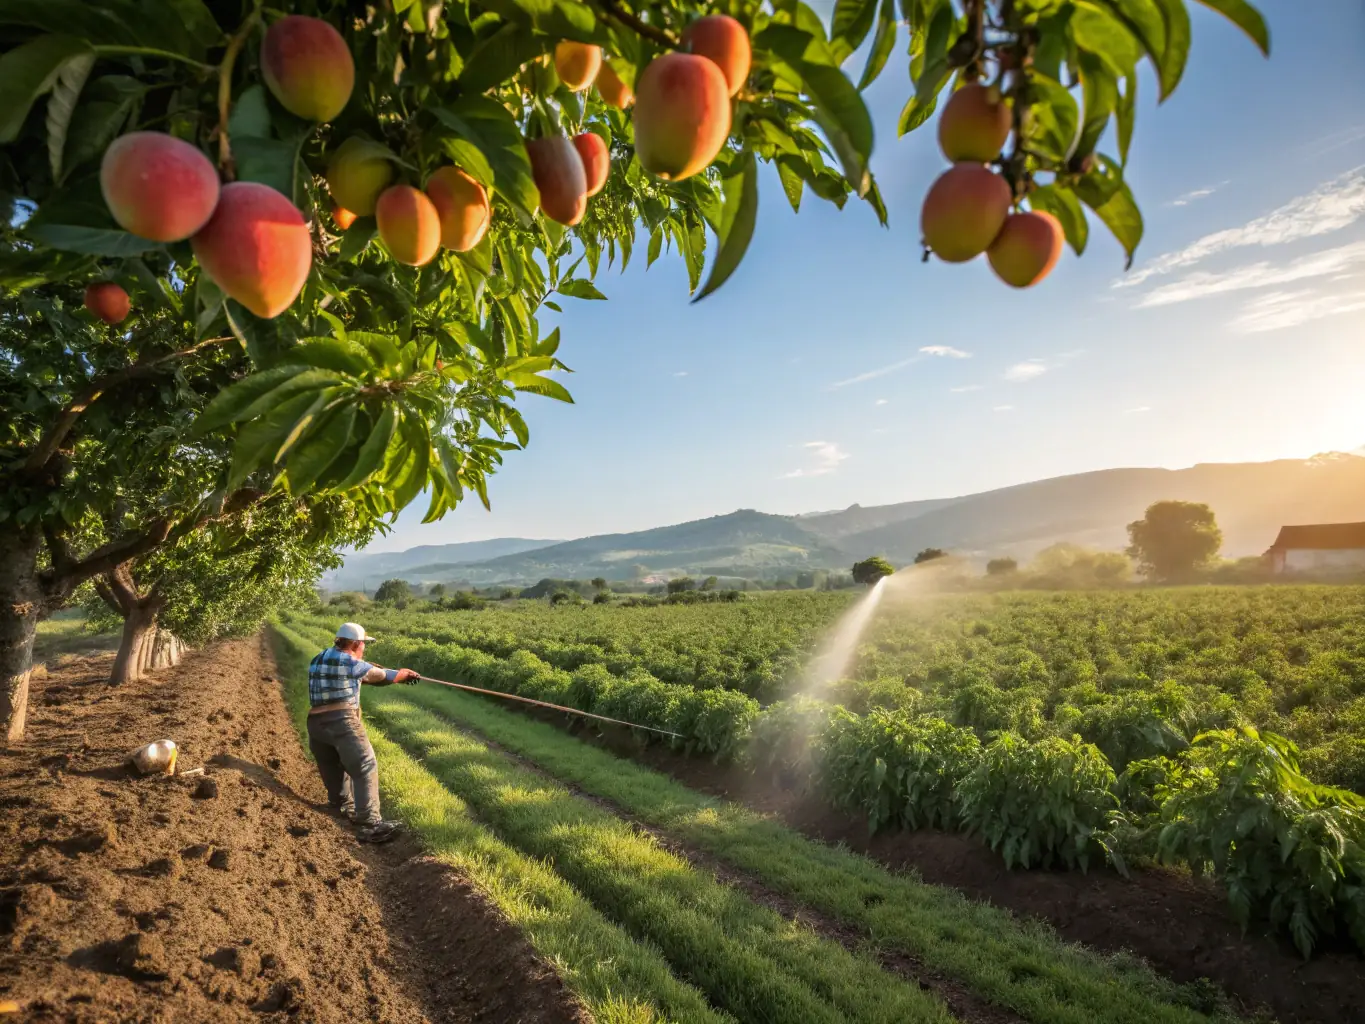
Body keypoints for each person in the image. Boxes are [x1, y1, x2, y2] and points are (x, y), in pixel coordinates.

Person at [306, 622, 419, 843]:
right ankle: (370, 823)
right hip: (342, 720)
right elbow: (380, 676)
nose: (364, 648)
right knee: (365, 764)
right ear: (356, 644)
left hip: (315, 723)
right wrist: (403, 675)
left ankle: (339, 806)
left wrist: (388, 674)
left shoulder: (319, 658)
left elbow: (362, 677)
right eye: (363, 644)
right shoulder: (350, 662)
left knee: (332, 764)